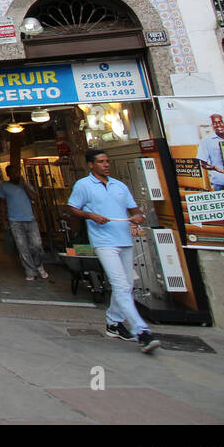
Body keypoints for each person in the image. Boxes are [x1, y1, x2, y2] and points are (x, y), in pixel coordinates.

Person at [67, 149, 160, 353]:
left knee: (126, 285)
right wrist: (91, 216)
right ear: (91, 165)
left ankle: (113, 322)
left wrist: (138, 217)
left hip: (125, 240)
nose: (106, 164)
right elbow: (72, 208)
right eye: (101, 162)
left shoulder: (120, 186)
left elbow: (135, 211)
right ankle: (141, 331)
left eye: (107, 161)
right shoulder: (83, 185)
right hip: (104, 242)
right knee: (119, 284)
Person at [0, 163, 50, 281]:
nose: (15, 175)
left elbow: (36, 198)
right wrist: (4, 220)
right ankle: (30, 271)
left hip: (30, 220)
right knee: (22, 247)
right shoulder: (4, 186)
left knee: (36, 245)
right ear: (8, 175)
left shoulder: (26, 185)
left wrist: (24, 186)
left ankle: (39, 266)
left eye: (16, 172)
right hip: (15, 221)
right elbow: (2, 203)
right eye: (12, 173)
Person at [196, 113, 224, 190]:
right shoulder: (206, 141)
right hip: (220, 183)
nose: (218, 125)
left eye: (220, 122)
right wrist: (213, 168)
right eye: (215, 123)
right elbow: (203, 164)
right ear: (212, 125)